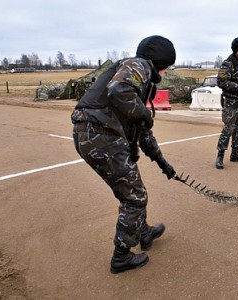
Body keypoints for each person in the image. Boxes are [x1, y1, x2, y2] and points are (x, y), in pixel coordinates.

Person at [71, 35, 176, 274]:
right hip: (100, 135)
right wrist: (144, 113)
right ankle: (121, 257)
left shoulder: (138, 84)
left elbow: (142, 131)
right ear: (158, 61)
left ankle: (143, 232)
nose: (168, 71)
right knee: (134, 197)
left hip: (98, 135)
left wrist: (162, 162)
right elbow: (118, 91)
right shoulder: (139, 65)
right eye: (167, 66)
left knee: (132, 189)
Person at [215, 37, 238, 169]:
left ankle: (235, 153)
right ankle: (220, 156)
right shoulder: (228, 64)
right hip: (232, 101)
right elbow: (221, 82)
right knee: (228, 128)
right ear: (235, 49)